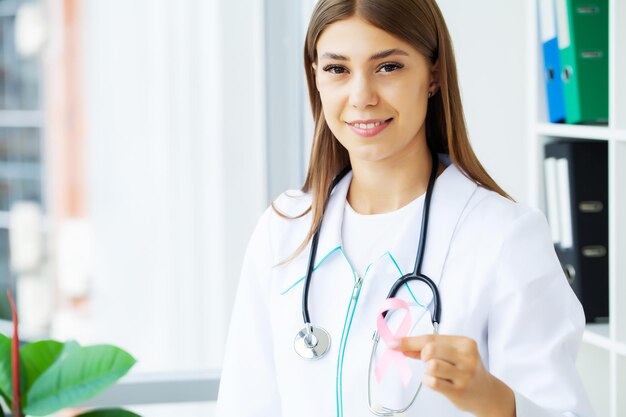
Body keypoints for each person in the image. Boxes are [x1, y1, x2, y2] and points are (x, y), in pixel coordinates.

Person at [216, 0, 594, 416]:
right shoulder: (285, 229)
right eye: (337, 69)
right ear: (316, 78)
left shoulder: (503, 235)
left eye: (388, 67)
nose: (361, 97)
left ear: (433, 75)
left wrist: (497, 401)